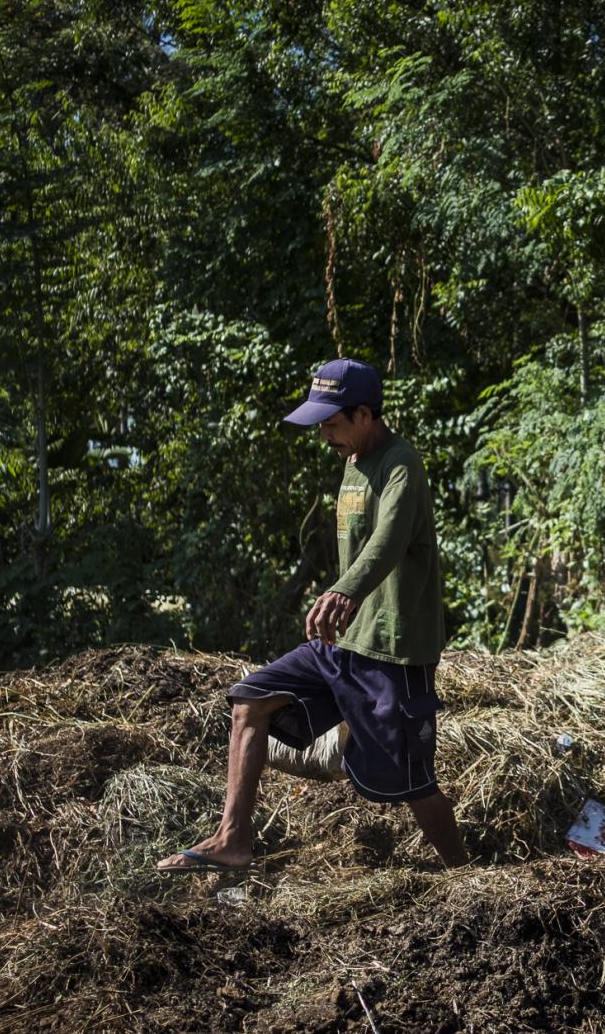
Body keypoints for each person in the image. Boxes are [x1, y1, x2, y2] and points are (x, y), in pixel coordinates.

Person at [156, 358, 468, 873]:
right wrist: (341, 602)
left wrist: (344, 591)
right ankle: (233, 838)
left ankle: (465, 873)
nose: (325, 435)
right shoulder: (352, 461)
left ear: (364, 414)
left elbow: (388, 541)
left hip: (393, 648)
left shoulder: (400, 464)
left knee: (411, 780)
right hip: (342, 644)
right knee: (249, 699)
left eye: (332, 423)